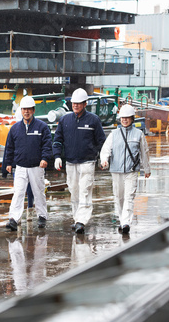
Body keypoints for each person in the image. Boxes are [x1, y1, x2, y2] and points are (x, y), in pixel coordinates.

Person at [53, 88, 106, 234]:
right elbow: (57, 140)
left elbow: (102, 142)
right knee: (74, 191)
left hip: (87, 162)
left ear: (85, 104)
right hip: (70, 162)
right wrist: (57, 156)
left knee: (85, 191)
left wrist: (103, 157)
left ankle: (81, 221)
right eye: (73, 103)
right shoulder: (65, 120)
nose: (75, 106)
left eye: (78, 103)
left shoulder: (93, 120)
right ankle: (77, 218)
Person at [100, 104, 151, 234]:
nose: (125, 120)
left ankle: (126, 223)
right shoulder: (114, 134)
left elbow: (144, 152)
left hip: (132, 171)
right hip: (116, 170)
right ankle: (122, 220)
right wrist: (104, 160)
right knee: (119, 197)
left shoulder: (138, 134)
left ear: (132, 119)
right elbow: (106, 149)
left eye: (127, 118)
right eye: (123, 118)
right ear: (120, 119)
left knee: (129, 196)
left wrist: (147, 168)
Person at [4, 96, 52, 231]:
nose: (26, 112)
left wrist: (45, 158)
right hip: (20, 166)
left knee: (39, 192)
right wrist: (8, 162)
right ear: (21, 110)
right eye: (24, 109)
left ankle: (42, 217)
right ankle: (13, 219)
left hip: (36, 166)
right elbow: (10, 147)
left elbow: (47, 145)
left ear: (33, 110)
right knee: (18, 192)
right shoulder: (15, 129)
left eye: (29, 109)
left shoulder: (42, 127)